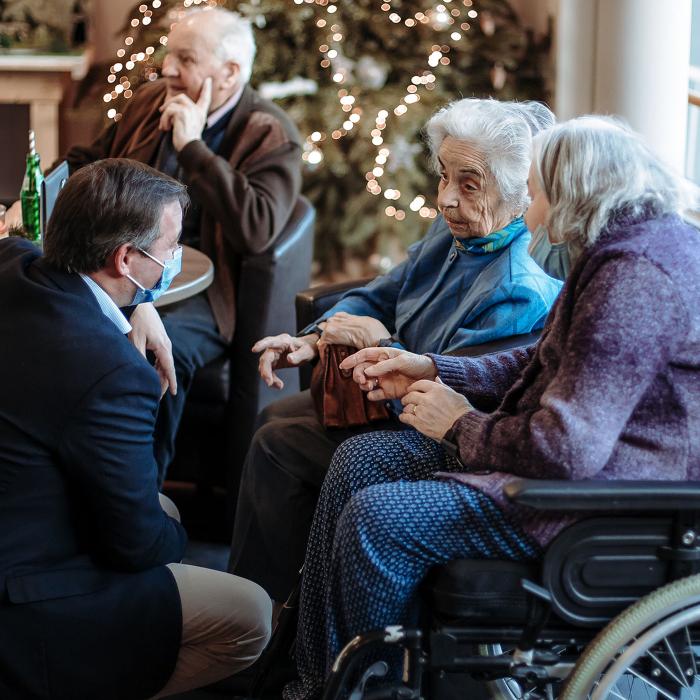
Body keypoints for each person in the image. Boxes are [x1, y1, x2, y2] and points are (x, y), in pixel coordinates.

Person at [283, 116, 700, 700]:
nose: (532, 200)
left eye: (539, 187)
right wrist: (434, 368)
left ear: (573, 191)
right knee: (360, 460)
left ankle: (374, 688)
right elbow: (543, 355)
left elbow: (566, 450)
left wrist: (460, 425)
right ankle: (320, 681)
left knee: (377, 520)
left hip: (599, 500)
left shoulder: (635, 280)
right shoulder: (625, 247)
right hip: (575, 471)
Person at [229, 98, 563, 603]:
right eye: (443, 177)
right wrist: (313, 339)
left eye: (468, 183)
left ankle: (271, 617)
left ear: (520, 192)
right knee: (272, 418)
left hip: (428, 434)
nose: (446, 199)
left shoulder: (517, 287)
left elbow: (443, 395)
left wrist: (380, 344)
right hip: (382, 396)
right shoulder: (457, 229)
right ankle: (274, 603)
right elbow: (383, 291)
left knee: (278, 447)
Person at [0, 159, 271, 699]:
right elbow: (135, 544)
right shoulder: (113, 374)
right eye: (170, 248)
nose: (173, 260)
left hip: (20, 507)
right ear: (125, 259)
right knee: (251, 615)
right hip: (24, 597)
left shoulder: (13, 264)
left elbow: (26, 247)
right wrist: (177, 540)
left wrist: (135, 309)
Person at [5, 7, 303, 481]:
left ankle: (139, 486)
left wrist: (192, 148)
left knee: (155, 353)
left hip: (206, 290)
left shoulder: (269, 131)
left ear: (229, 72)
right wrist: (36, 192)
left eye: (185, 59)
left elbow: (258, 227)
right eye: (169, 56)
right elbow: (88, 160)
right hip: (120, 267)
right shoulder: (151, 100)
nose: (167, 70)